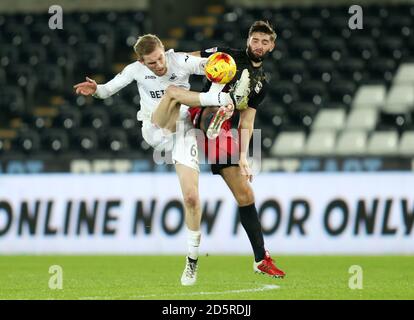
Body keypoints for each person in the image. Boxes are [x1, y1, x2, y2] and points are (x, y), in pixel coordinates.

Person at [73, 34, 251, 286]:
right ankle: (215, 106)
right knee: (172, 92)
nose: (159, 65)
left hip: (183, 133)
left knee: (191, 197)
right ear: (142, 62)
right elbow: (107, 90)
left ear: (164, 50)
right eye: (152, 63)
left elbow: (210, 67)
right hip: (156, 127)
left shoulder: (178, 60)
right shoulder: (135, 71)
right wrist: (96, 90)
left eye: (159, 58)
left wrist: (224, 66)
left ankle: (192, 260)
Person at [155, 21, 286, 278]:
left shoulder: (261, 83)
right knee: (217, 110)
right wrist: (166, 61)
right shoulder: (228, 56)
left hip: (223, 132)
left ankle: (261, 259)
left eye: (264, 42)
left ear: (272, 46)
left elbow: (247, 122)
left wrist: (243, 157)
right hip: (200, 111)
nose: (259, 45)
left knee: (246, 195)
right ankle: (216, 115)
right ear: (248, 40)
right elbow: (192, 57)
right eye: (255, 40)